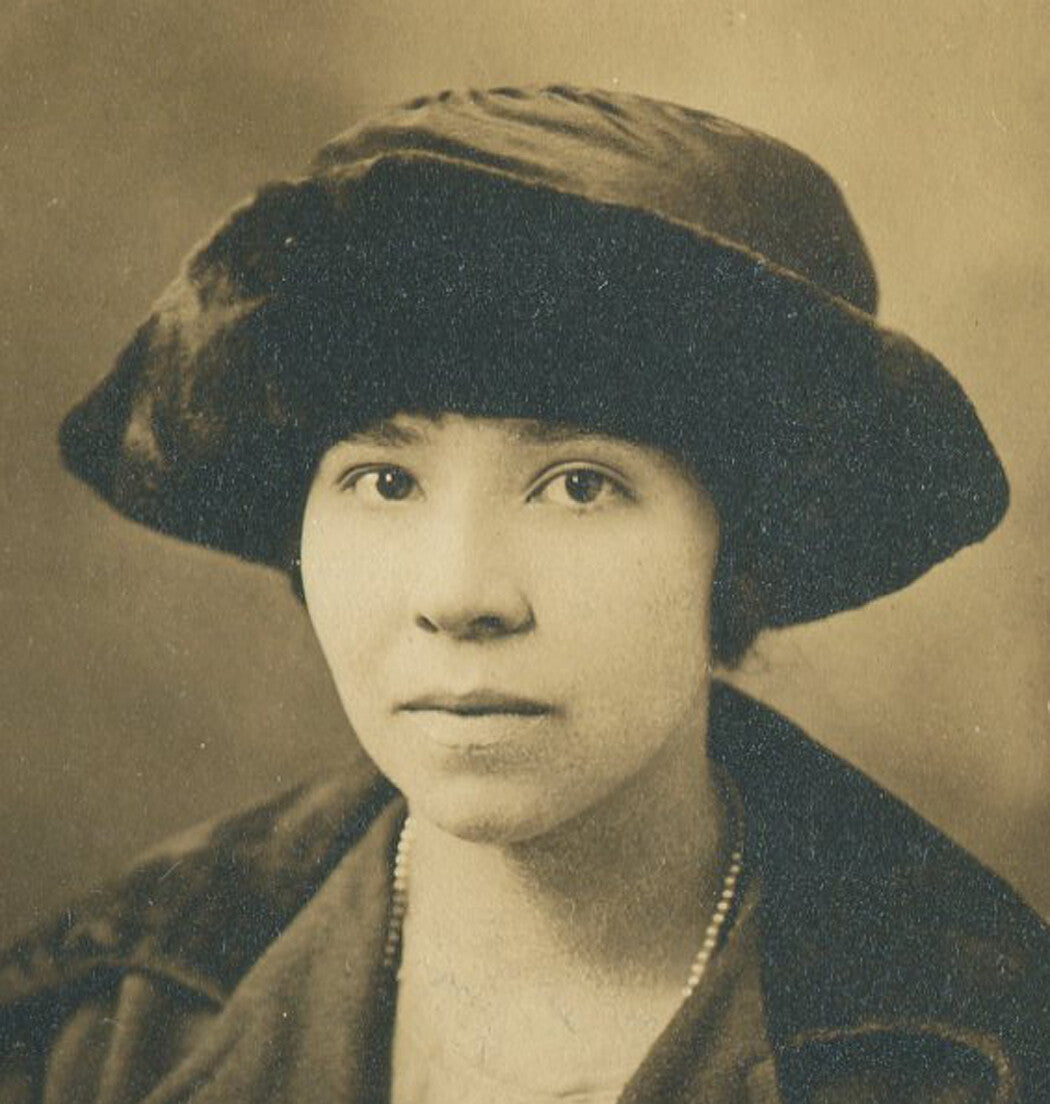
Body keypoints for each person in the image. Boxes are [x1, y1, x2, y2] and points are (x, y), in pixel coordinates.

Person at [2, 85, 1048, 1104]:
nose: (460, 595)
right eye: (385, 481)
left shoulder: (983, 1053)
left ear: (740, 552)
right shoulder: (98, 1029)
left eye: (579, 486)